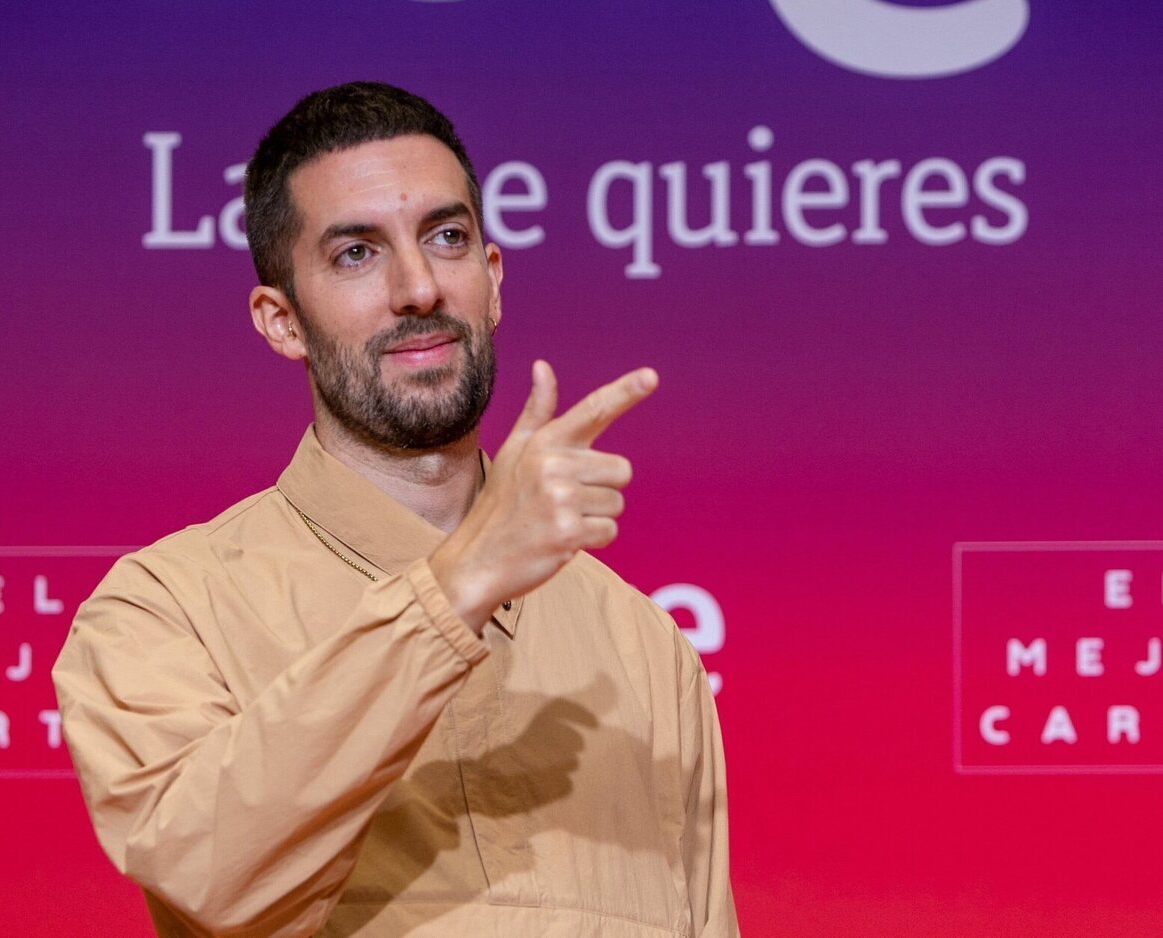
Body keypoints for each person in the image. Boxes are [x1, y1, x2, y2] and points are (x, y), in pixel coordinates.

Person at [53, 81, 738, 937]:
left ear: (492, 280)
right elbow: (210, 877)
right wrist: (455, 589)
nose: (418, 288)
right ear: (281, 321)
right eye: (356, 254)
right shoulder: (166, 608)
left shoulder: (643, 646)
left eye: (447, 238)